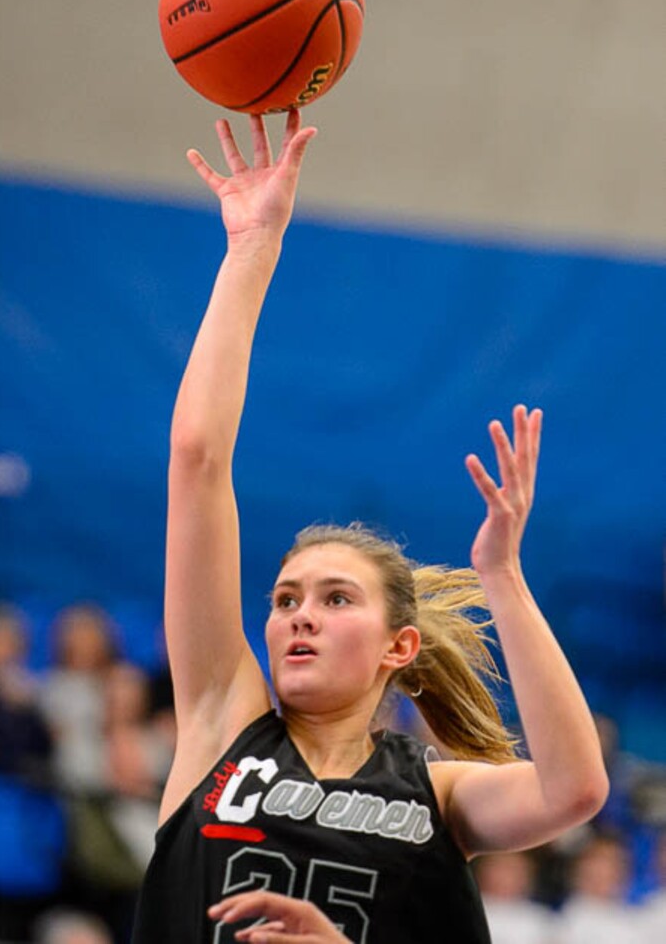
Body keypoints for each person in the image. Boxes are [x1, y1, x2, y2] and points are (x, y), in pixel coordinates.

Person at [130, 111, 609, 944]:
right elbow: (197, 460)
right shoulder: (219, 722)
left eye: (334, 597)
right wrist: (252, 249)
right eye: (284, 599)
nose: (297, 615)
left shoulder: (440, 793)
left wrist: (503, 574)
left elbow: (573, 790)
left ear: (399, 647)